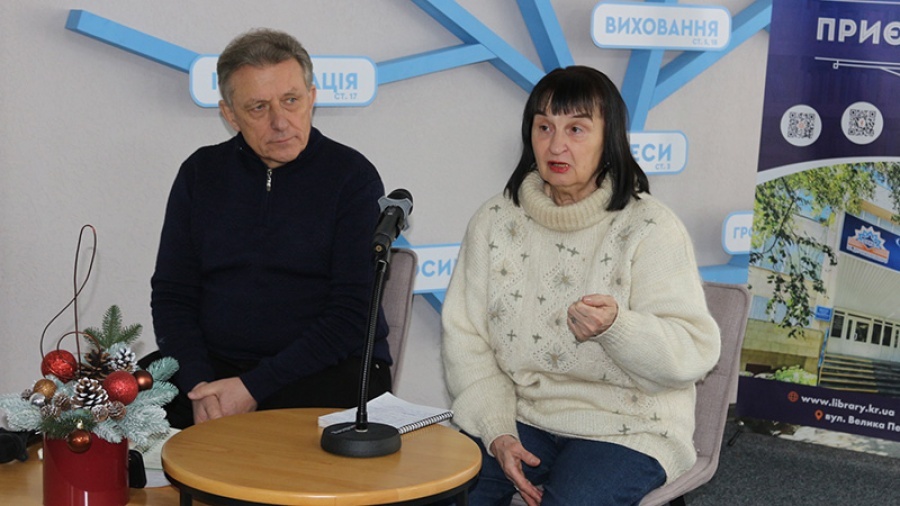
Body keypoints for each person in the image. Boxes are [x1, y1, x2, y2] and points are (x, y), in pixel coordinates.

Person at [441, 66, 721, 506]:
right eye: (544, 127)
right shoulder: (495, 221)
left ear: (609, 139)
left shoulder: (649, 227)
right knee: (447, 490)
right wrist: (497, 432)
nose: (556, 145)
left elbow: (692, 351)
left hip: (629, 427)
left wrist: (618, 328)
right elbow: (467, 340)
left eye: (576, 129)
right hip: (525, 417)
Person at [150, 28, 391, 429]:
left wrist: (253, 388)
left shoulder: (352, 178)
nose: (280, 122)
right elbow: (173, 295)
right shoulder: (200, 173)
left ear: (312, 97)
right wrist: (199, 385)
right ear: (230, 114)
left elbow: (351, 317)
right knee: (119, 409)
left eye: (291, 100)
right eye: (258, 107)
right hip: (212, 369)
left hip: (325, 369)